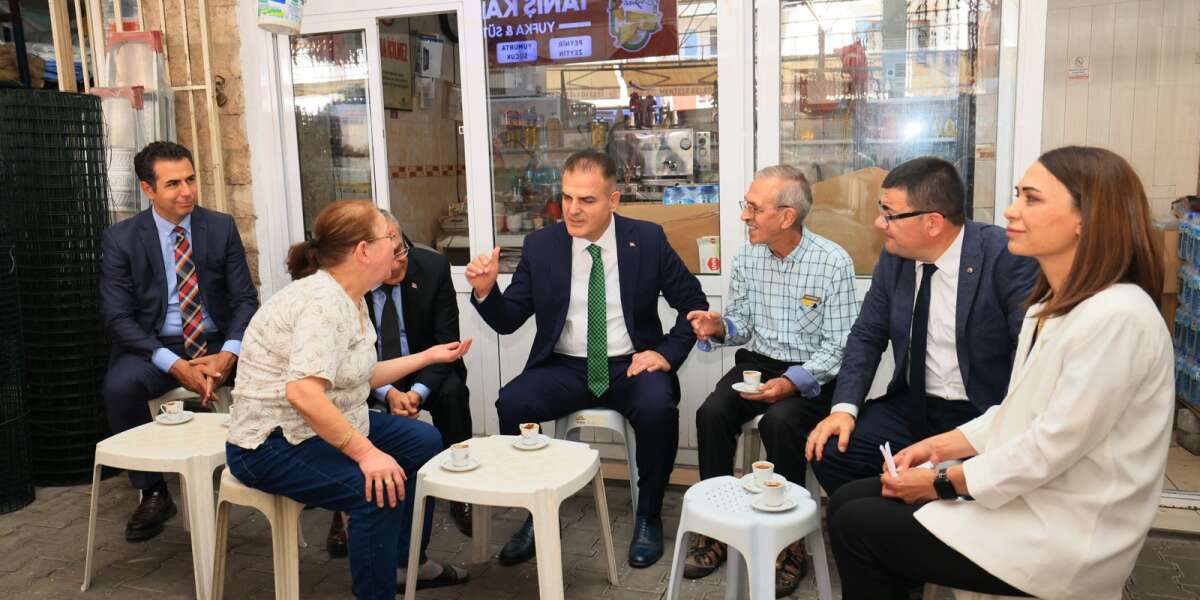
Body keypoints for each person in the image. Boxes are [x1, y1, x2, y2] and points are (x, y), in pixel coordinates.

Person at [826, 145, 1174, 600]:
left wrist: (940, 481)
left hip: (1066, 531)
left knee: (857, 524)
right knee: (852, 499)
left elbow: (1048, 446)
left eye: (1031, 198)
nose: (1011, 210)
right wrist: (938, 447)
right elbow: (1019, 409)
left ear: (1085, 219)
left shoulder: (1118, 317)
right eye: (1016, 195)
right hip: (1034, 499)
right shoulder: (1050, 308)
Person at [465, 149, 708, 569]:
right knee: (512, 402)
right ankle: (533, 514)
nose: (573, 210)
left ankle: (648, 515)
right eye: (567, 198)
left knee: (658, 408)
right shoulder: (541, 246)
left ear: (613, 201)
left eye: (587, 200)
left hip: (631, 363)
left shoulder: (647, 240)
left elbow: (694, 306)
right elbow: (507, 321)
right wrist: (487, 292)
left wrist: (665, 354)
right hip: (565, 366)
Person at [225, 200, 472, 599]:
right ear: (363, 251)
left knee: (424, 442)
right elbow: (303, 393)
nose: (396, 245)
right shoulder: (322, 303)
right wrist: (367, 454)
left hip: (326, 421)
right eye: (387, 238)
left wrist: (427, 356)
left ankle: (408, 563)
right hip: (272, 443)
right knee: (379, 488)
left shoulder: (350, 296)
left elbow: (357, 375)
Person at [804, 157, 1039, 495]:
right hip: (913, 406)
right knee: (832, 452)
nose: (879, 223)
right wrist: (844, 409)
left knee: (967, 480)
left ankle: (924, 528)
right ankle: (894, 528)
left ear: (932, 223)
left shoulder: (1004, 256)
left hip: (981, 411)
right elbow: (867, 335)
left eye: (889, 214)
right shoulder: (894, 257)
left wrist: (1003, 425)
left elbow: (1028, 353)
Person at [684, 165, 856, 595]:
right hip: (757, 363)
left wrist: (794, 382)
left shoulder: (832, 262)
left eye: (754, 208)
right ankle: (717, 527)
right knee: (712, 413)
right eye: (746, 206)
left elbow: (839, 347)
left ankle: (790, 541)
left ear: (787, 215)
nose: (745, 216)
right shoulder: (747, 257)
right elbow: (741, 325)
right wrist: (719, 326)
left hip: (811, 372)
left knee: (779, 422)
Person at [99, 141, 259, 542]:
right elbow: (117, 317)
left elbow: (244, 300)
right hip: (156, 342)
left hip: (216, 338)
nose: (187, 190)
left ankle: (267, 472)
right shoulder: (122, 239)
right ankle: (152, 490)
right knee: (120, 387)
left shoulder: (219, 227)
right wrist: (174, 364)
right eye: (173, 183)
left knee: (283, 379)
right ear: (148, 189)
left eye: (190, 179)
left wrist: (229, 353)